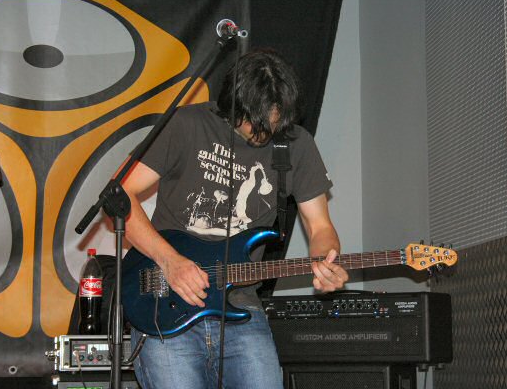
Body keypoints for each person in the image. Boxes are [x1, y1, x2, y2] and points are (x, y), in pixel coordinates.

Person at [120, 48, 349, 389]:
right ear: (233, 105)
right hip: (165, 297)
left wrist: (326, 262)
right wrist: (170, 261)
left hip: (241, 304)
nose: (265, 132)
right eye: (257, 123)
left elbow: (320, 227)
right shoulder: (187, 124)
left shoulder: (296, 145)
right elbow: (121, 195)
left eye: (275, 123)